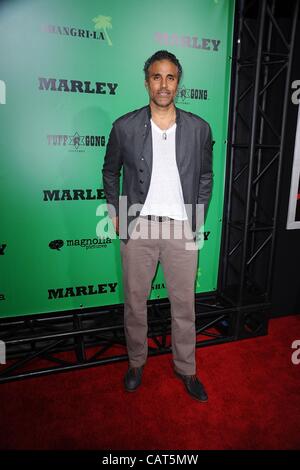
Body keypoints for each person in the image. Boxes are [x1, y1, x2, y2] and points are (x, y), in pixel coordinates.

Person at [102, 50, 213, 402]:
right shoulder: (124, 126)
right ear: (146, 81)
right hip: (140, 229)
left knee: (185, 306)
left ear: (178, 82)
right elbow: (109, 171)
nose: (163, 84)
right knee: (135, 303)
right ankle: (136, 363)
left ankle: (186, 368)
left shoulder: (199, 127)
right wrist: (117, 212)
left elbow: (206, 176)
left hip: (181, 229)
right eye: (156, 77)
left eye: (170, 77)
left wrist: (197, 219)